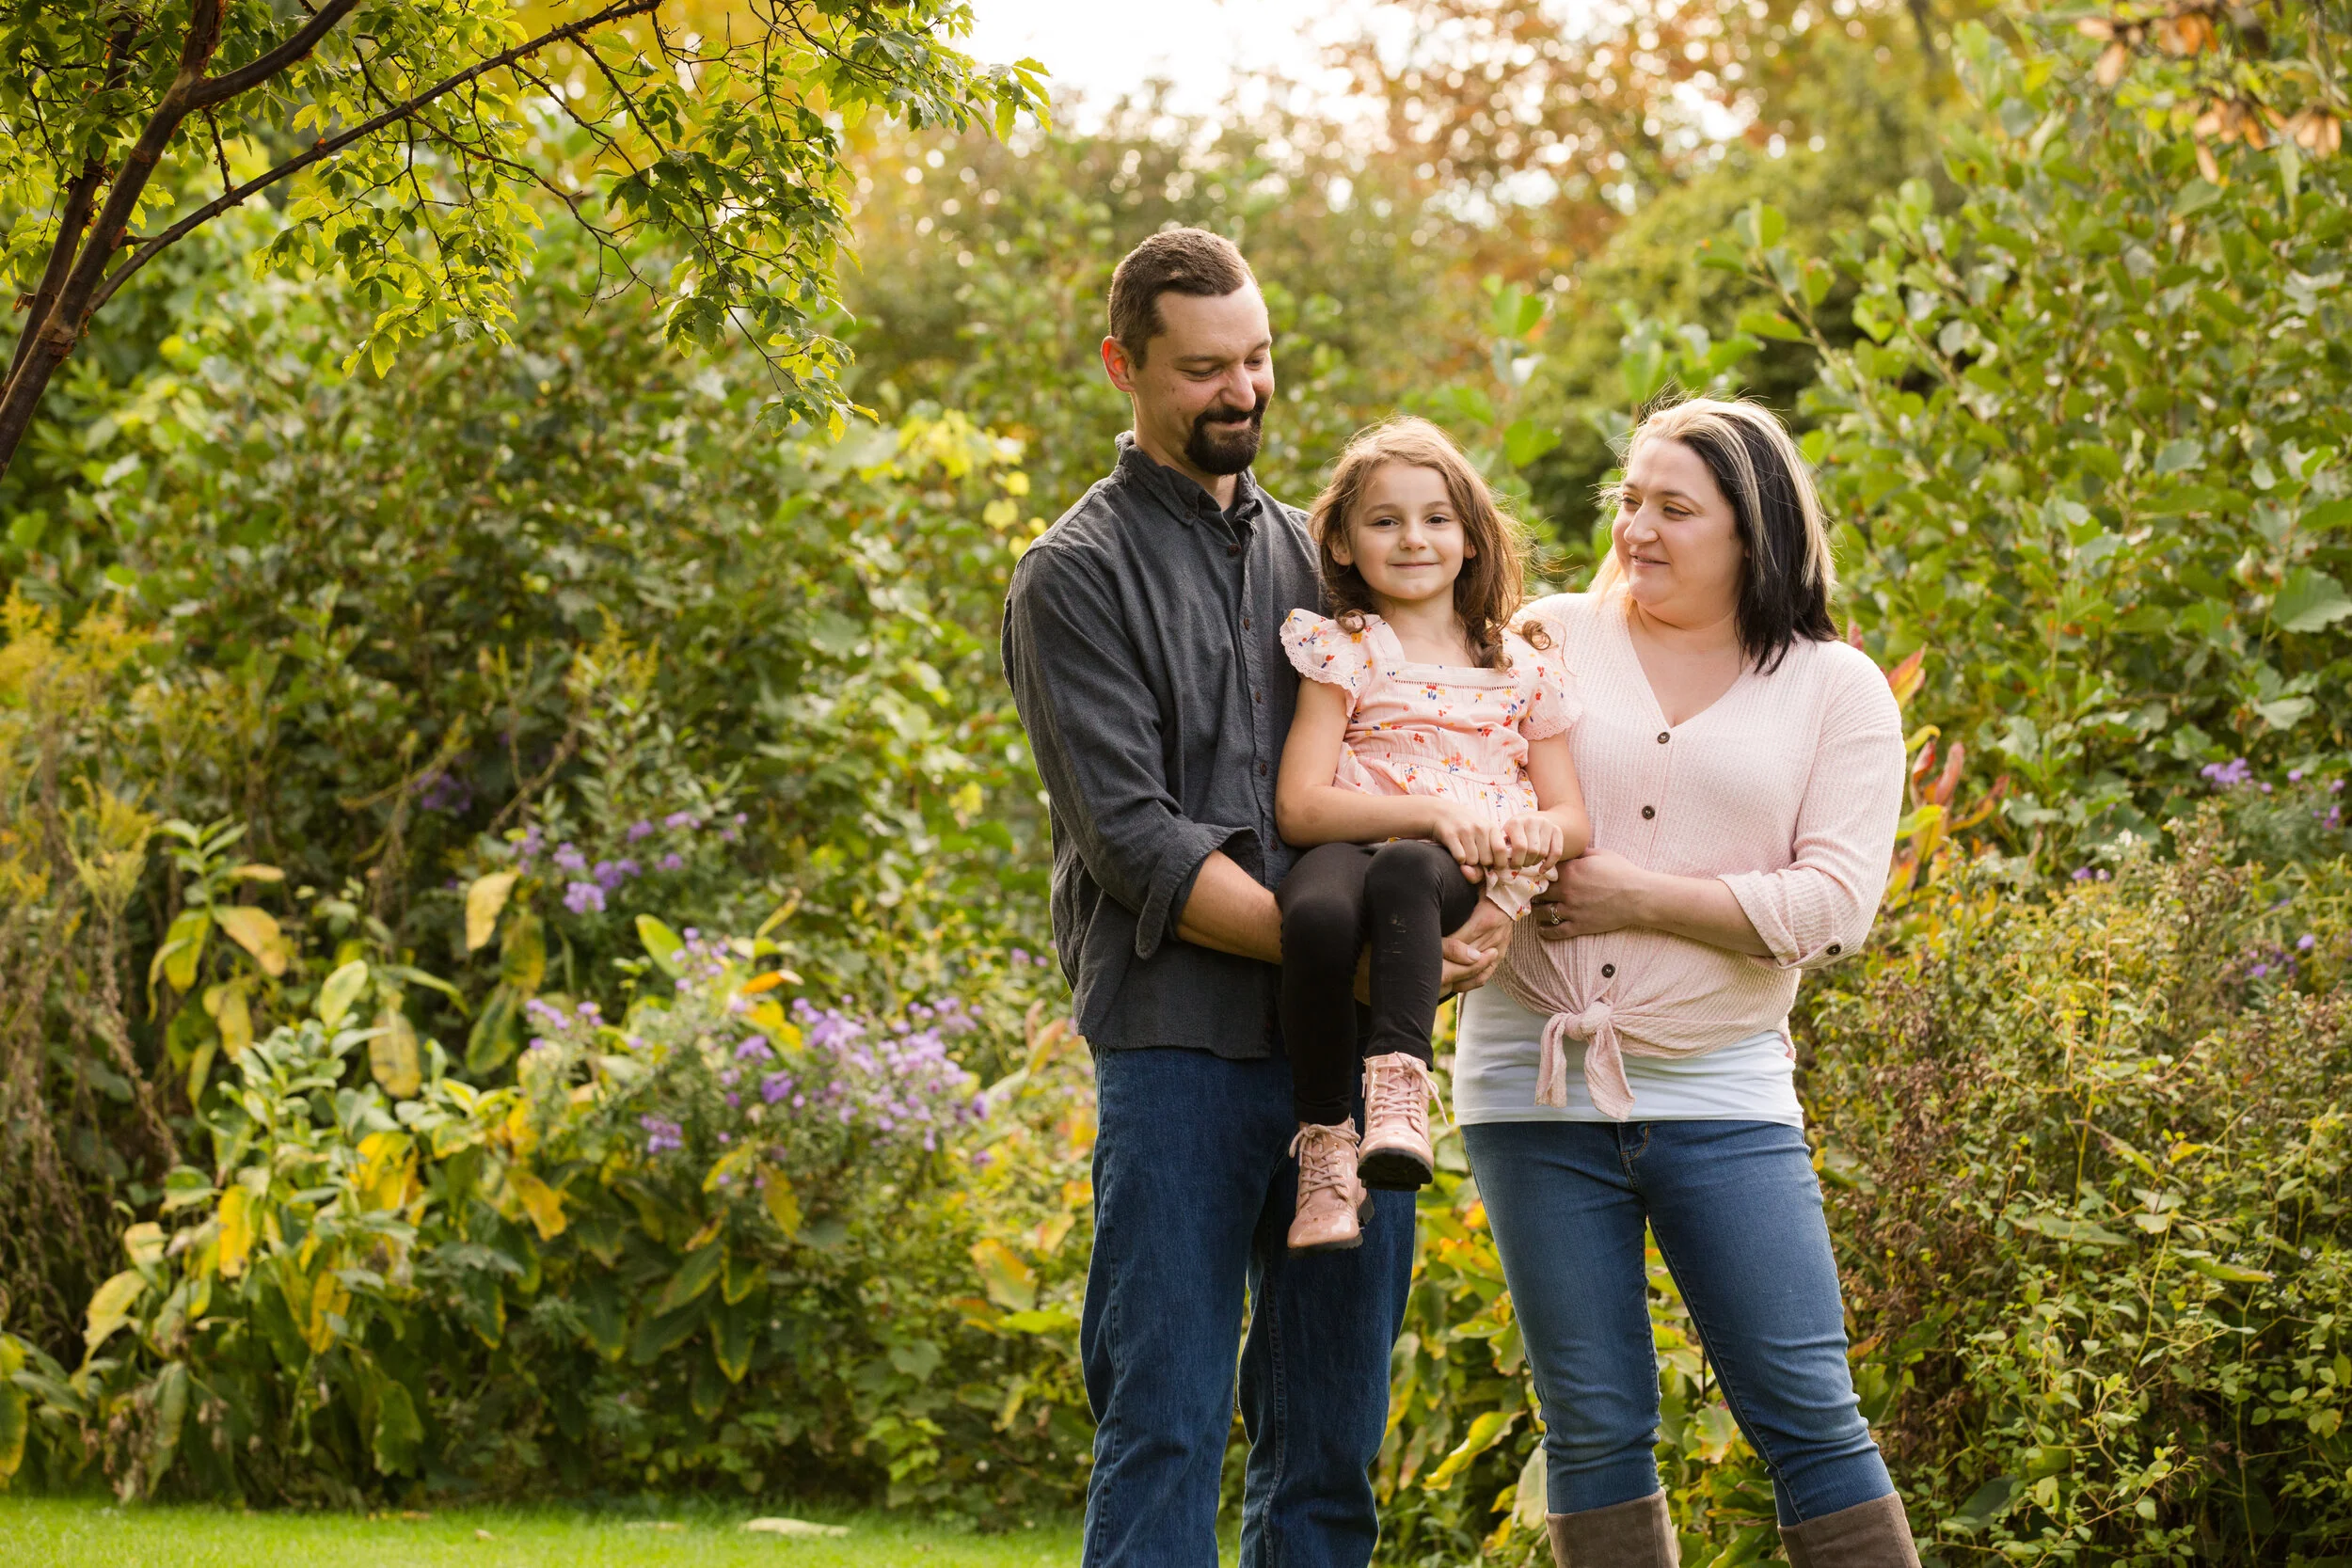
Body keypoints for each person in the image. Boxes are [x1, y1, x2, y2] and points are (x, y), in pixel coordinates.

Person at [999, 230, 1515, 1568]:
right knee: (1163, 1420)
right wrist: (1350, 964)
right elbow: (1139, 846)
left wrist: (1475, 914)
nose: (1243, 392)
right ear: (1125, 365)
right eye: (1205, 369)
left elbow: (1443, 742)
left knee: (1331, 1441)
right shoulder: (1076, 573)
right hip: (1176, 1049)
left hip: (1340, 1068)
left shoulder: (1329, 565)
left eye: (1260, 360)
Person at [1455, 398, 1919, 1567]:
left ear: (1752, 533)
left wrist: (1636, 895)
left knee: (1808, 1411)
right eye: (1629, 501)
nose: (1636, 530)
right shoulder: (1540, 641)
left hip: (1725, 1091)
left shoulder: (1835, 688)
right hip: (1533, 1085)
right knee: (1594, 1424)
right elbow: (1439, 780)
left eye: (1674, 508)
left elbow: (1833, 905)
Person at [1271, 417, 1589, 1251]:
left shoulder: (1516, 663)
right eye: (1385, 520)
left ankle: (1399, 1097)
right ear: (1341, 543)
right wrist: (1429, 809)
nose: (1413, 538)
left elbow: (1571, 819)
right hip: (1352, 842)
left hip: (1442, 868)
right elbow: (1302, 807)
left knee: (1408, 870)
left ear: (1472, 538)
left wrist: (1514, 865)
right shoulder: (1346, 650)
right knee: (1313, 918)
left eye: (1437, 518)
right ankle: (1326, 1153)